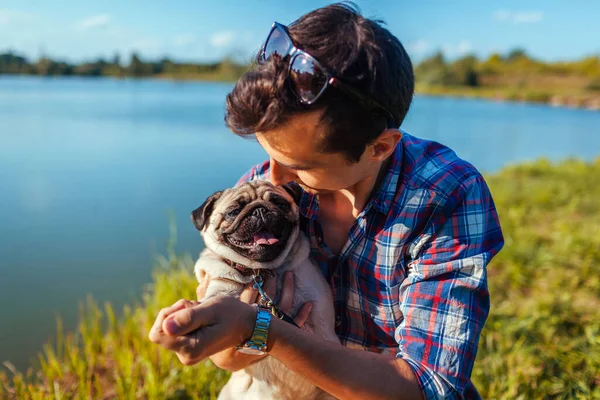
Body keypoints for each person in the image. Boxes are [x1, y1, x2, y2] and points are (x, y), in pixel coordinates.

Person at [149, 3, 504, 399]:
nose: (275, 178)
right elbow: (226, 358)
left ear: (380, 147)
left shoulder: (444, 195)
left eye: (300, 166)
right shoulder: (262, 190)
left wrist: (261, 329)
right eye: (270, 154)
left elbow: (430, 387)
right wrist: (216, 327)